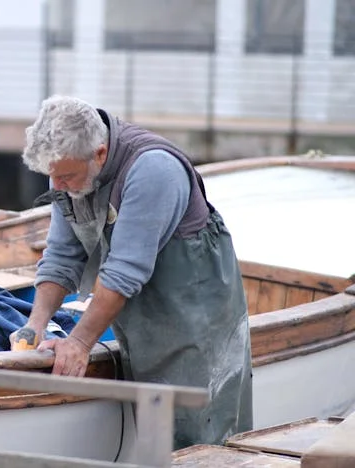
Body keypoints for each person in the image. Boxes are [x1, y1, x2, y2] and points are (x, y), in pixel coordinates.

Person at [16, 95, 253, 449]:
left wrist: (79, 343)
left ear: (98, 153)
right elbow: (62, 256)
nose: (58, 185)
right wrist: (33, 326)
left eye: (66, 177)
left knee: (201, 435)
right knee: (156, 437)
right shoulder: (66, 169)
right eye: (53, 177)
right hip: (141, 315)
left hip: (196, 318)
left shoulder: (153, 170)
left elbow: (123, 271)